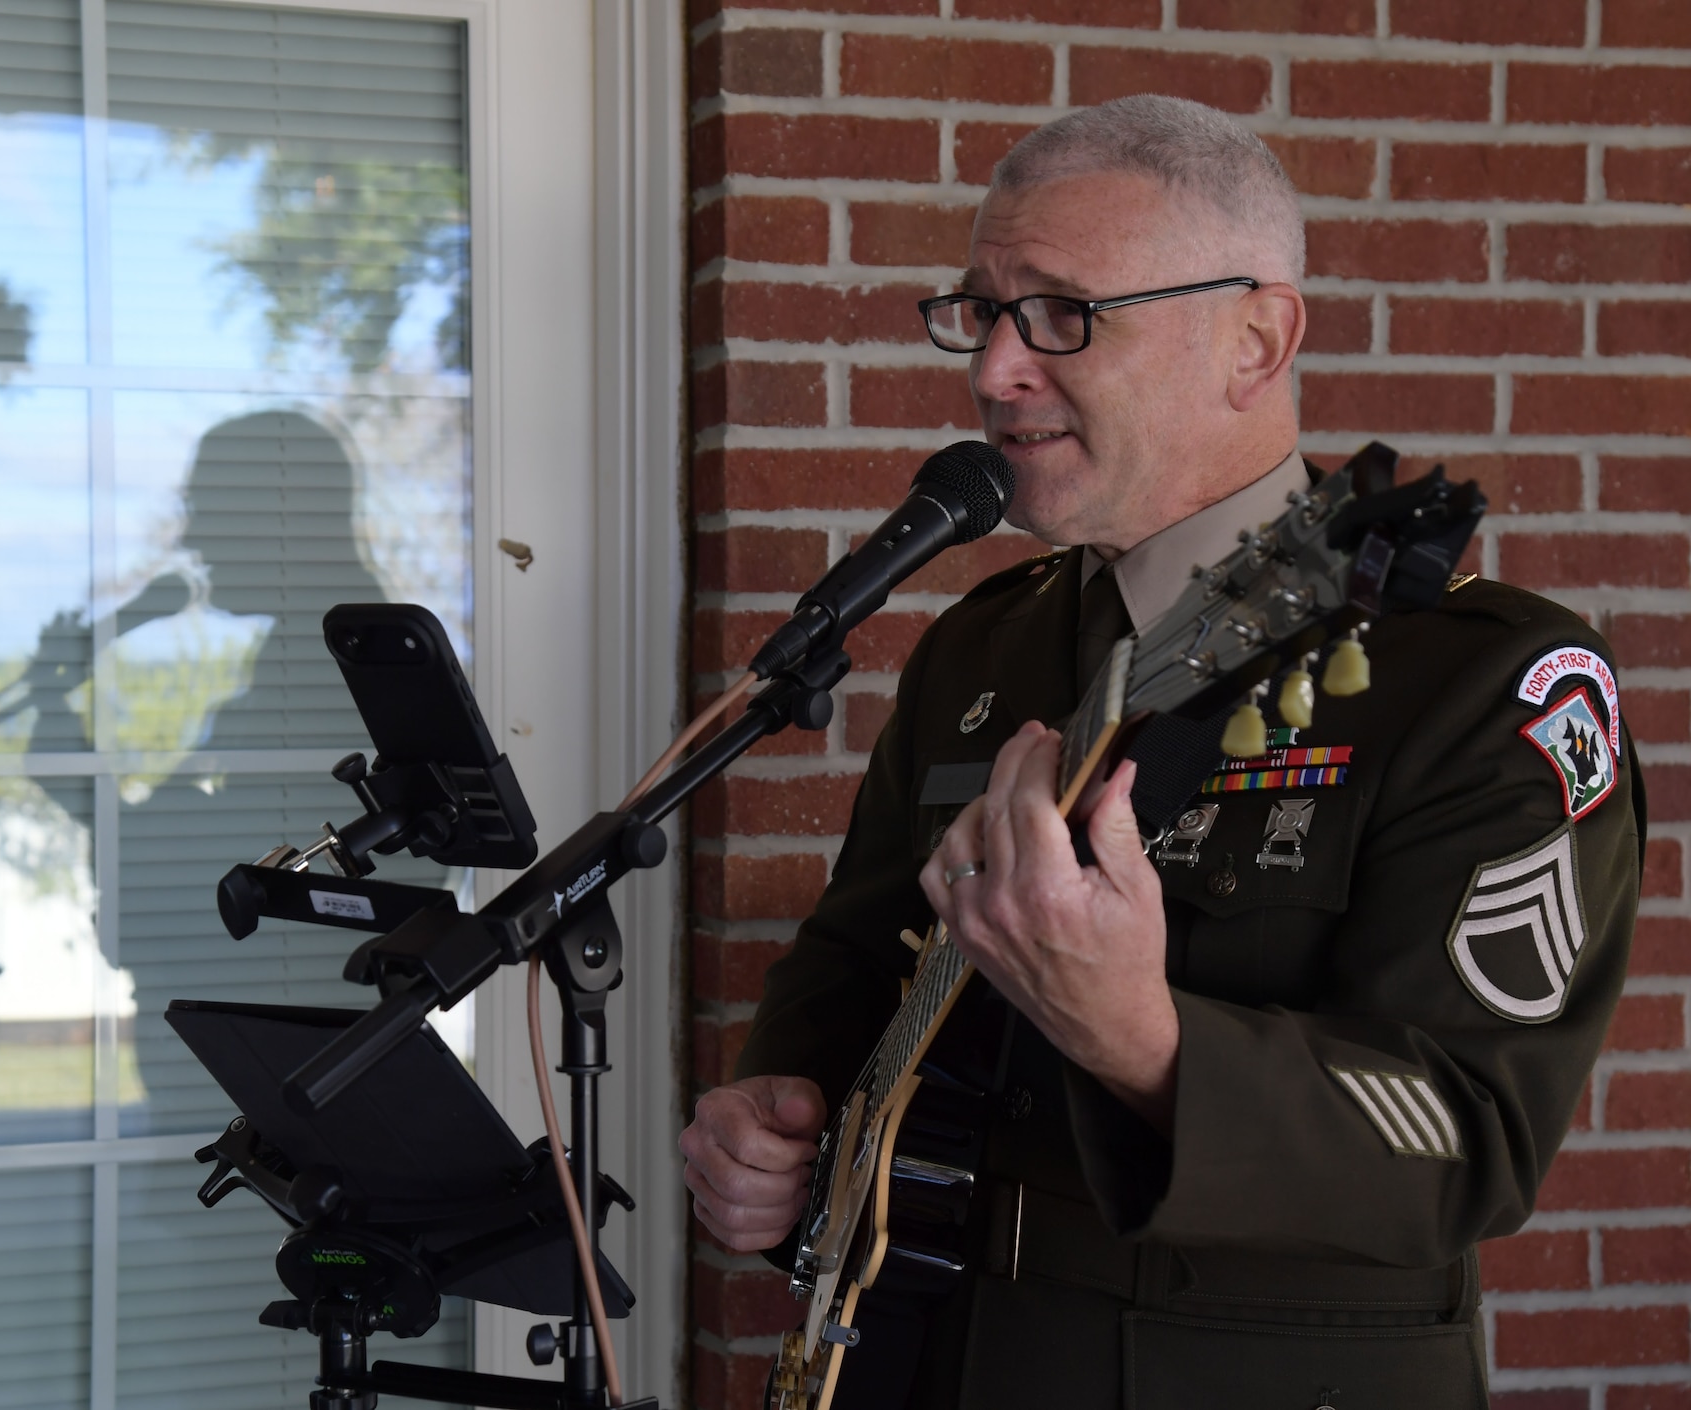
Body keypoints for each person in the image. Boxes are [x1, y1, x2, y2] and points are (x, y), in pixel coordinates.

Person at [677, 95, 1644, 1409]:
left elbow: (1471, 1137)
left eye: (1064, 314)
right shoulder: (985, 648)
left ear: (1257, 337)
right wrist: (776, 1105)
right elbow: (858, 954)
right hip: (928, 1353)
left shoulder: (1479, 684)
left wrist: (1142, 1036)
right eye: (980, 311)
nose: (995, 369)